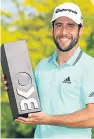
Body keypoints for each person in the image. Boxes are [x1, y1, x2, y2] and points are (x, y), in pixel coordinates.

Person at [2, 2, 94, 139]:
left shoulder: (89, 66)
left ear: (80, 30)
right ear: (52, 29)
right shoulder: (42, 66)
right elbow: (31, 106)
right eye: (58, 25)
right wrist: (13, 88)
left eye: (71, 26)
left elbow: (92, 117)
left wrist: (49, 119)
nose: (63, 32)